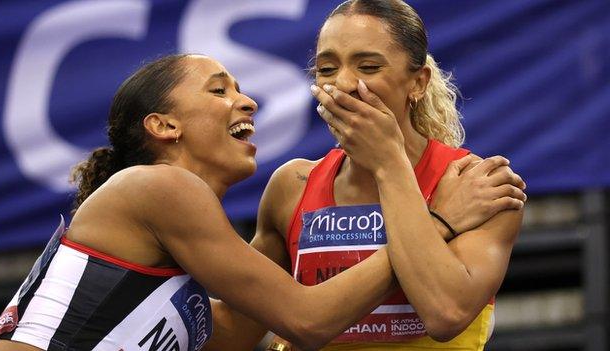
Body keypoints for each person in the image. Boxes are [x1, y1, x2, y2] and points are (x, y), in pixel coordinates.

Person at [0, 54, 431, 351]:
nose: (248, 101)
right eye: (219, 92)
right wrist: (433, 230)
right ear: (164, 125)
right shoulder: (160, 187)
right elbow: (307, 321)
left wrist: (280, 230)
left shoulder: (166, 253)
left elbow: (234, 332)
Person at [208, 1, 525, 350]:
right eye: (327, 69)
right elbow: (234, 332)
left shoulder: (476, 183)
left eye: (368, 66)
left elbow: (446, 313)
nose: (342, 84)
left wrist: (389, 162)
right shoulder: (292, 186)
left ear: (418, 83)